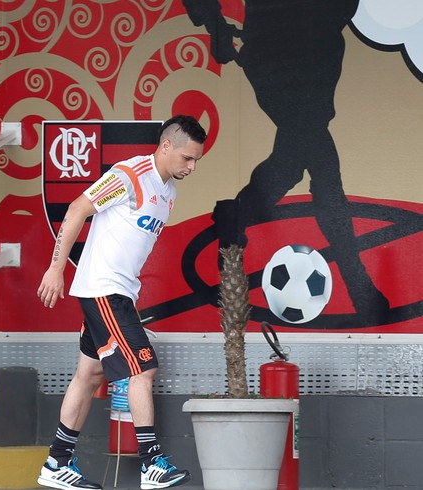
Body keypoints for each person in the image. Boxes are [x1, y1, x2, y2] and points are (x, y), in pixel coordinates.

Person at [183, 0, 389, 326]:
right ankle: (358, 284)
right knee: (321, 161)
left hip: (321, 46)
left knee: (294, 158)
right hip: (276, 49)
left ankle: (235, 215)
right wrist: (213, 23)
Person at [36, 115, 207, 490]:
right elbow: (78, 209)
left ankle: (56, 462)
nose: (192, 167)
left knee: (90, 374)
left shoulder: (169, 191)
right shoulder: (130, 174)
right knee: (142, 370)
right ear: (166, 146)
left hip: (119, 293)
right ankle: (152, 464)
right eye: (187, 158)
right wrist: (56, 269)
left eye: (196, 161)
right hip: (103, 290)